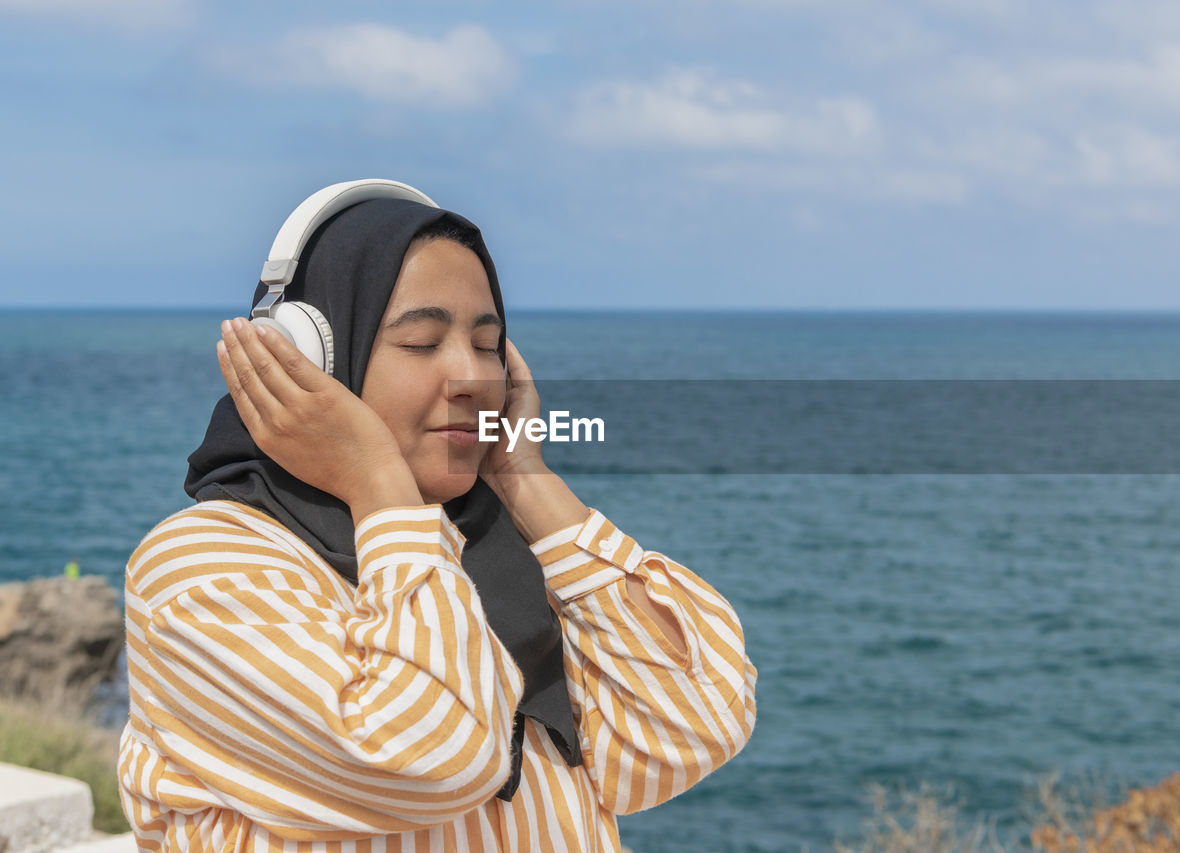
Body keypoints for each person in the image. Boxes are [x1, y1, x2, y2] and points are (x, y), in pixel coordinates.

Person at [117, 187, 757, 852]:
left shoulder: (500, 551)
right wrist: (378, 485)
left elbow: (691, 728)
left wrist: (524, 481)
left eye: (488, 345)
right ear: (311, 359)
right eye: (422, 342)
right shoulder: (199, 572)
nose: (471, 377)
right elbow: (430, 759)